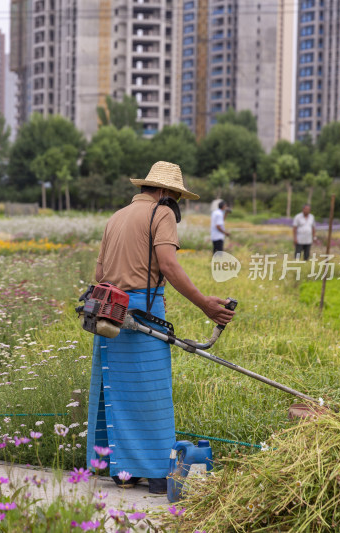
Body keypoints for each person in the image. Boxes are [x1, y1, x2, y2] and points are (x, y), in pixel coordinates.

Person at [89, 161, 235, 494]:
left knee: (119, 393)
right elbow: (168, 263)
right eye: (176, 197)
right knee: (151, 393)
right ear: (166, 193)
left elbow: (99, 274)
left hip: (111, 313)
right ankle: (157, 472)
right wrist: (204, 304)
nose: (176, 203)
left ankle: (123, 470)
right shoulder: (162, 214)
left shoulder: (116, 217)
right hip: (142, 312)